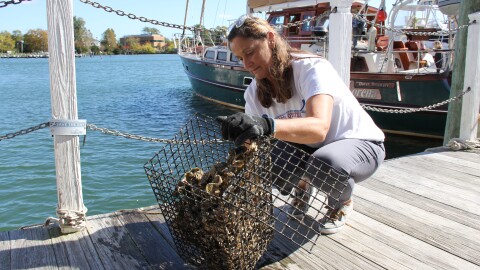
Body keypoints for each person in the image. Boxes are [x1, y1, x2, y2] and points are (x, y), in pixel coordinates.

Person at [216, 15, 385, 235]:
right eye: (239, 57)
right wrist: (242, 134)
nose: (246, 64)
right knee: (267, 164)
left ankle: (341, 203)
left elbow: (319, 128)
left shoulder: (311, 68)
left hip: (359, 144)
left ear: (270, 39)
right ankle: (302, 185)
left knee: (325, 164)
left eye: (250, 52)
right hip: (311, 148)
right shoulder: (253, 93)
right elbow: (256, 142)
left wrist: (265, 125)